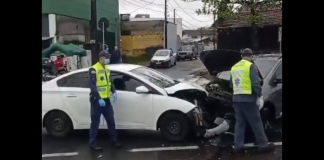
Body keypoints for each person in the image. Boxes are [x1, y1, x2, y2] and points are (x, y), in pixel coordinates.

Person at [229, 48, 274, 154]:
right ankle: (263, 145)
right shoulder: (250, 66)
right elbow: (255, 83)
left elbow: (231, 84)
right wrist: (259, 96)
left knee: (240, 123)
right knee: (256, 123)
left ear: (241, 56)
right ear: (251, 56)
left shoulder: (234, 67)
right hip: (248, 99)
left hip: (236, 99)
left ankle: (238, 146)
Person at [88, 51, 121, 150]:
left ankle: (114, 141)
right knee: (95, 123)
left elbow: (110, 82)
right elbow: (92, 85)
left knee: (111, 121)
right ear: (101, 58)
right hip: (96, 101)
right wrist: (98, 98)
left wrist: (113, 91)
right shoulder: (94, 69)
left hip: (106, 100)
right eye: (106, 58)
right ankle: (93, 143)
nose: (108, 59)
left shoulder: (107, 68)